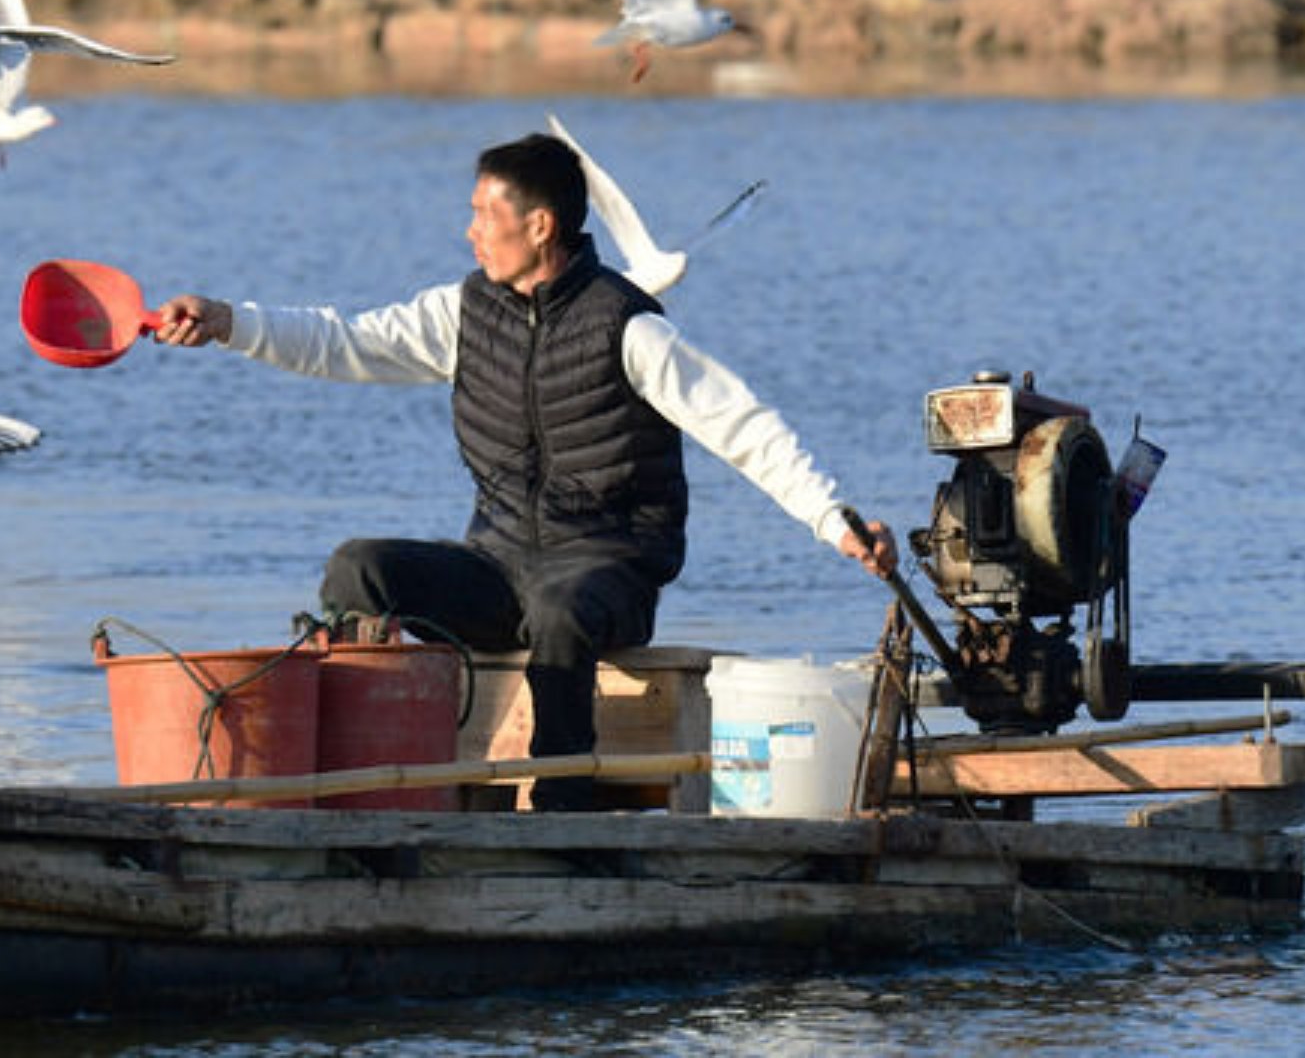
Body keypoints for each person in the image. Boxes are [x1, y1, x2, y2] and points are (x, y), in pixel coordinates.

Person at [152, 132, 898, 810]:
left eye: (485, 213)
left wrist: (832, 520)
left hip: (607, 572)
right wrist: (227, 322)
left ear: (539, 226)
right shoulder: (462, 313)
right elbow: (342, 341)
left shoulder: (628, 326)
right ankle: (364, 786)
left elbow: (741, 424)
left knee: (560, 611)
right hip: (498, 565)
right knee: (359, 569)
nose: (470, 230)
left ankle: (561, 813)